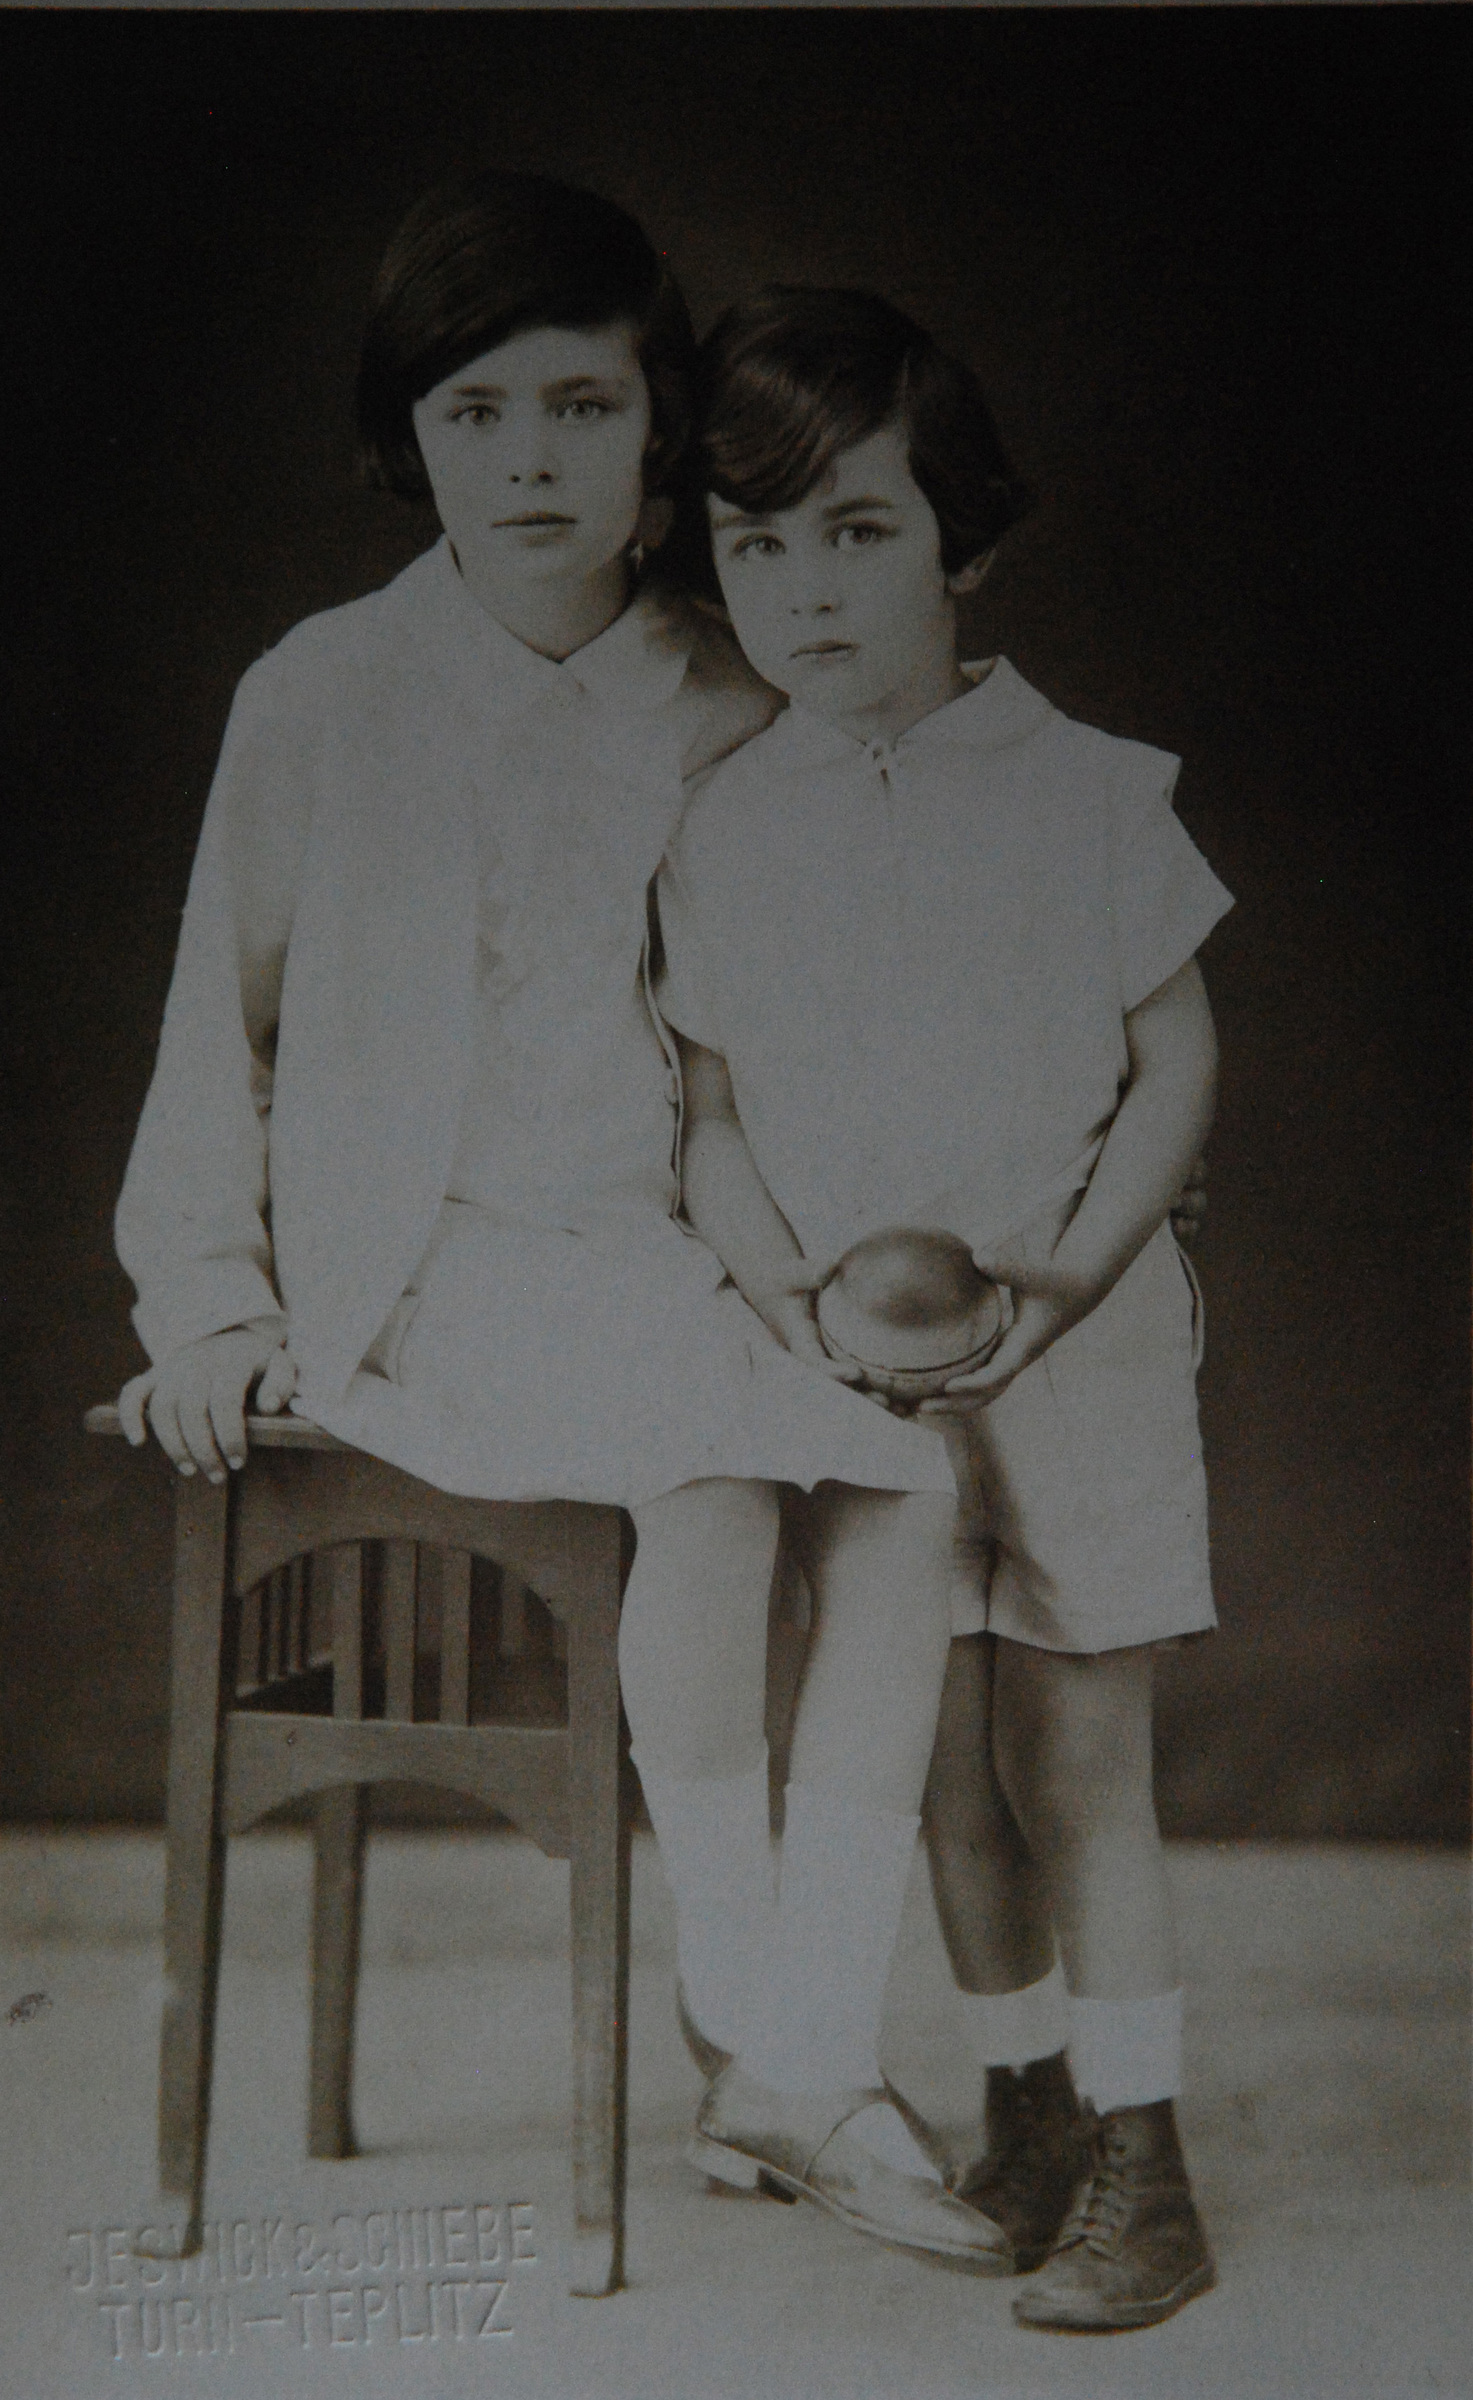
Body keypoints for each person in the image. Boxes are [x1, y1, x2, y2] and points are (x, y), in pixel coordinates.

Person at [113, 170, 1002, 2267]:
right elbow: (216, 1021)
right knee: (711, 1481)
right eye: (476, 413)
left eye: (583, 409)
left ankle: (785, 2046)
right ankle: (787, 2053)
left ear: (658, 428)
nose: (529, 462)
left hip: (672, 1257)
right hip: (422, 1272)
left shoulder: (719, 684)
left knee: (908, 1491)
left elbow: (815, 997)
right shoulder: (322, 693)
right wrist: (206, 1301)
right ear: (410, 438)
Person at [654, 285, 1231, 2330]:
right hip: (866, 1381)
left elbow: (1176, 1062)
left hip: (1071, 1347)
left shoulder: (1086, 791)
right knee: (929, 1767)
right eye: (754, 544)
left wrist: (1075, 1273)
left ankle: (1148, 2167)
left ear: (958, 540)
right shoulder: (725, 820)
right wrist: (786, 1297)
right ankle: (1029, 2107)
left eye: (857, 530)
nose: (803, 589)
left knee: (1074, 1758)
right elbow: (711, 1117)